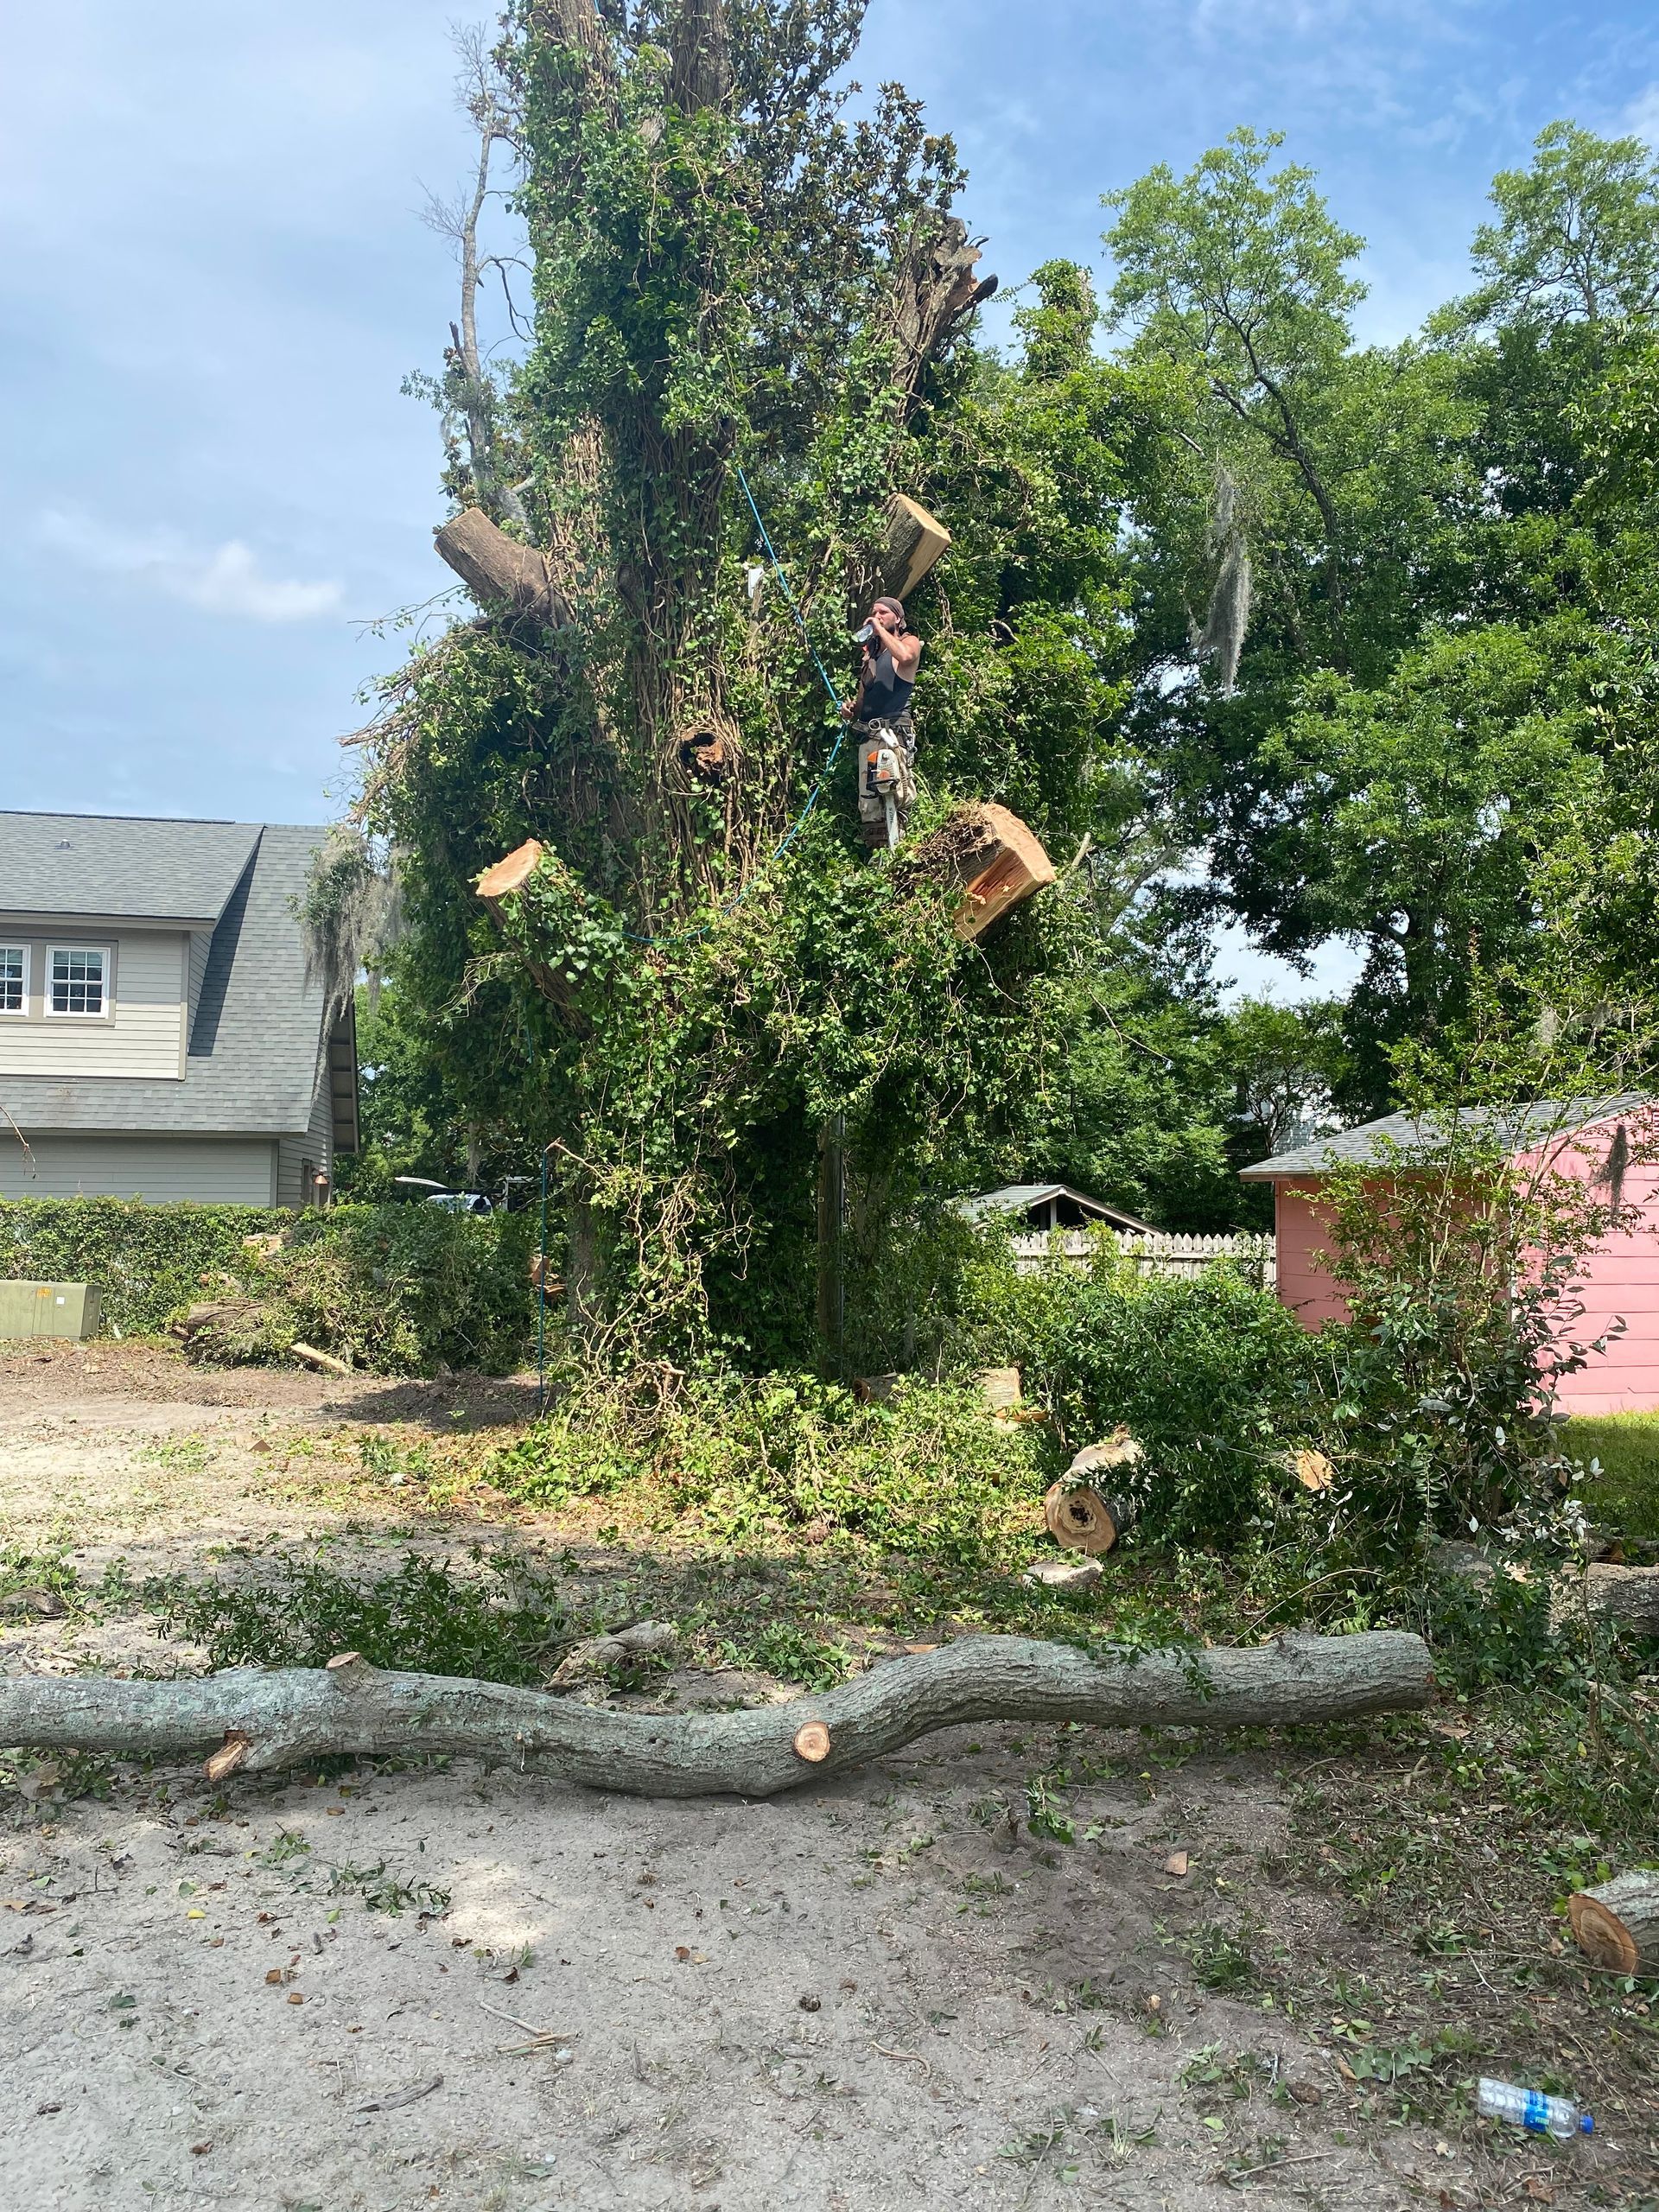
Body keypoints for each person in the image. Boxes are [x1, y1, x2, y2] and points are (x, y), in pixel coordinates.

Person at [844, 595, 923, 846]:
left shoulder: (907, 641)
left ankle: (901, 852)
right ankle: (879, 862)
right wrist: (851, 710)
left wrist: (878, 629)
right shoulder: (872, 656)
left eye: (883, 613)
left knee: (894, 794)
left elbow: (907, 657)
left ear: (897, 619)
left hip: (893, 733)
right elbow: (862, 701)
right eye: (874, 612)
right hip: (869, 735)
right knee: (869, 804)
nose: (876, 616)